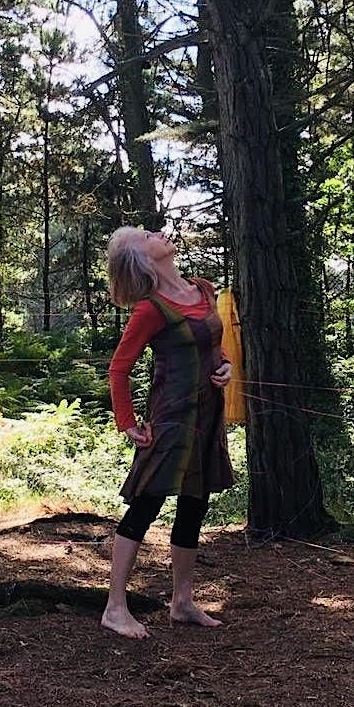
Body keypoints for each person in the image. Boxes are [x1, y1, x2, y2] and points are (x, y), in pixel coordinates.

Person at [101, 226, 234, 639]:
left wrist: (226, 365)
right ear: (142, 258)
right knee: (146, 506)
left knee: (195, 505)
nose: (157, 232)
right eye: (145, 235)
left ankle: (182, 602)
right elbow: (118, 369)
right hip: (171, 419)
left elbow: (214, 343)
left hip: (208, 416)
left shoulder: (202, 290)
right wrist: (127, 423)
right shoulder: (151, 309)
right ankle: (115, 607)